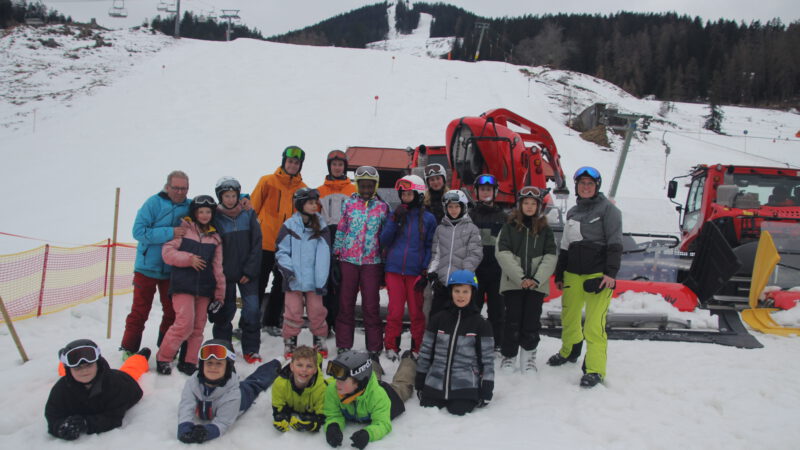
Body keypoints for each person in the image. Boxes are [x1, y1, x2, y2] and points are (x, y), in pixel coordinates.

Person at [551, 166, 623, 388]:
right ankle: (569, 351)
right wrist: (560, 273)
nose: (586, 187)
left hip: (597, 275)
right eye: (582, 183)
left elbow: (615, 243)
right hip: (573, 273)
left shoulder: (609, 210)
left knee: (594, 324)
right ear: (576, 186)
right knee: (569, 316)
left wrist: (610, 273)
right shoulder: (573, 212)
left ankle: (595, 369)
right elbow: (566, 245)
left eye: (590, 184)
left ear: (597, 186)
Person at [120, 170, 190, 358]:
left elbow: (209, 211)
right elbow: (138, 232)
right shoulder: (153, 203)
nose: (180, 192)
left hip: (172, 270)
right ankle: (129, 348)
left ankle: (166, 347)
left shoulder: (189, 207)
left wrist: (243, 200)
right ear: (167, 187)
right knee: (140, 311)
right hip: (146, 268)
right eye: (176, 188)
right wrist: (171, 232)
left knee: (172, 312)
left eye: (184, 188)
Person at [157, 195, 225, 376]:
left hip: (204, 288)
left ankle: (189, 361)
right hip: (183, 285)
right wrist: (189, 259)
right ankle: (164, 357)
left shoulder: (215, 238)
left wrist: (219, 295)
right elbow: (167, 253)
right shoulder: (184, 231)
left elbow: (218, 268)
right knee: (184, 324)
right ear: (195, 213)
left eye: (208, 212)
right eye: (201, 211)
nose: (204, 215)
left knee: (198, 327)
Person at [495, 186, 558, 373]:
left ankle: (528, 355)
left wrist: (536, 279)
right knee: (512, 319)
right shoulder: (509, 227)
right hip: (514, 283)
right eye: (526, 203)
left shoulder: (545, 230)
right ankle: (509, 355)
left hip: (536, 285)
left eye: (533, 204)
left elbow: (551, 256)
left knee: (531, 320)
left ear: (538, 206)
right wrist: (520, 277)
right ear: (520, 205)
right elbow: (502, 252)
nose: (529, 207)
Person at [415, 270, 494, 415]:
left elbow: (487, 360)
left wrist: (486, 390)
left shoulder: (481, 324)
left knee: (459, 410)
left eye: (465, 291)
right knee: (428, 407)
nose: (460, 296)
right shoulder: (438, 319)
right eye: (457, 291)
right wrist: (420, 382)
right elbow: (426, 352)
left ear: (472, 293)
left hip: (464, 383)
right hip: (436, 381)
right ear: (451, 292)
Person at [252, 146, 309, 336]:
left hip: (287, 247)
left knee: (281, 286)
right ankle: (249, 323)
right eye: (290, 161)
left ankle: (271, 322)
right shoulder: (267, 181)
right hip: (264, 243)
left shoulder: (303, 189)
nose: (292, 165)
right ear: (284, 161)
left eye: (296, 162)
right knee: (258, 284)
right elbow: (252, 209)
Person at [177, 339, 280, 444]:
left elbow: (223, 423)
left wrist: (206, 432)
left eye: (219, 364)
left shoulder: (233, 395)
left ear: (227, 367)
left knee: (255, 383)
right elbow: (186, 407)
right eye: (209, 363)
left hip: (242, 396)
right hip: (227, 389)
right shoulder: (192, 384)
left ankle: (277, 364)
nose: (213, 367)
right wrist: (184, 429)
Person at [379, 175, 436, 361]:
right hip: (394, 270)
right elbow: (384, 240)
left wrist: (425, 269)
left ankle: (417, 347)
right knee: (395, 312)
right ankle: (391, 346)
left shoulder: (428, 219)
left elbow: (430, 246)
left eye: (409, 194)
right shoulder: (394, 215)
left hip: (415, 272)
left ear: (418, 195)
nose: (405, 197)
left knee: (416, 313)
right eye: (403, 194)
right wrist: (395, 220)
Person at [333, 166, 389, 356]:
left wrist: (385, 262)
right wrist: (336, 254)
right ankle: (344, 343)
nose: (366, 190)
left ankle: (374, 346)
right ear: (357, 185)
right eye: (363, 186)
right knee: (346, 302)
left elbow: (385, 236)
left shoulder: (382, 207)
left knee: (371, 305)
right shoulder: (349, 204)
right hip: (348, 260)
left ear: (375, 186)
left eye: (370, 186)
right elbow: (341, 229)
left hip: (372, 262)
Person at [45, 339, 149, 440]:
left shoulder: (115, 384)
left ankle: (140, 357)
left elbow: (113, 418)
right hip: (71, 376)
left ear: (97, 364)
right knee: (66, 374)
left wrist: (86, 423)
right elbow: (53, 415)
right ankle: (65, 358)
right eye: (77, 367)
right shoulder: (61, 388)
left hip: (125, 380)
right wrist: (61, 427)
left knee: (131, 369)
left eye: (89, 365)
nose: (84, 370)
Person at [209, 177, 263, 364]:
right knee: (226, 311)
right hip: (225, 275)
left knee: (252, 311)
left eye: (234, 195)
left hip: (248, 274)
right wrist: (219, 273)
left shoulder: (248, 213)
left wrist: (250, 270)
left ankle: (251, 349)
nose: (230, 199)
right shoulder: (215, 217)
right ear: (220, 197)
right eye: (227, 196)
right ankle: (223, 347)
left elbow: (257, 242)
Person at [276, 188, 331, 359]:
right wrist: (288, 271)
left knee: (317, 311)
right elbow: (281, 251)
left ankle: (319, 339)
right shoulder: (289, 226)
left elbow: (324, 254)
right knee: (292, 312)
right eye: (310, 203)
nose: (314, 206)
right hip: (294, 279)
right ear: (300, 205)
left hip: (314, 281)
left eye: (315, 203)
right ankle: (290, 341)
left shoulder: (321, 226)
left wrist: (321, 279)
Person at [323, 350, 416, 449]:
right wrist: (333, 426)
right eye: (336, 379)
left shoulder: (378, 397)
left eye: (342, 380)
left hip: (390, 395)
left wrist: (368, 434)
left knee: (403, 384)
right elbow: (333, 415)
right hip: (366, 387)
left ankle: (409, 360)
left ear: (357, 382)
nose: (337, 383)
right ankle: (373, 360)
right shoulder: (333, 390)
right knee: (371, 375)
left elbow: (382, 423)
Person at [318, 150, 357, 334]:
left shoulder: (353, 190)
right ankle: (325, 322)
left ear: (345, 167)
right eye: (334, 164)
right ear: (329, 166)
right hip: (325, 238)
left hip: (346, 240)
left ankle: (339, 323)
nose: (337, 168)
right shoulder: (319, 191)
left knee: (342, 284)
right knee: (325, 283)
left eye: (340, 165)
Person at [427, 189, 483, 318]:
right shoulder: (440, 229)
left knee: (458, 319)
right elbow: (436, 254)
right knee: (437, 317)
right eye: (450, 207)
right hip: (442, 284)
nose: (453, 210)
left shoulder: (472, 229)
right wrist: (432, 274)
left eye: (457, 206)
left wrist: (463, 276)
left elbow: (475, 255)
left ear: (463, 207)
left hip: (460, 286)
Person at [468, 173, 508, 350]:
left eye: (489, 189)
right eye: (483, 189)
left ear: (495, 192)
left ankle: (497, 342)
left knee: (497, 310)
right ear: (477, 192)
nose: (486, 192)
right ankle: (472, 340)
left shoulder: (504, 217)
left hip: (497, 272)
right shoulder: (470, 216)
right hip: (475, 271)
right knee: (473, 308)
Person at [272, 346, 329, 434]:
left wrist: (313, 424)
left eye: (309, 366)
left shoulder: (322, 388)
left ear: (315, 369)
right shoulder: (280, 384)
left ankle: (318, 357)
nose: (304, 370)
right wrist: (281, 417)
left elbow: (323, 414)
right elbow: (278, 407)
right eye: (299, 365)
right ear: (291, 366)